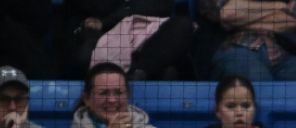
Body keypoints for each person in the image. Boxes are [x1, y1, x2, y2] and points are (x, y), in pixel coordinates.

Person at [198, 0, 296, 84]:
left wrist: (241, 16)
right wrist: (279, 6)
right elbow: (227, 13)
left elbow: (295, 20)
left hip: (288, 55)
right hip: (238, 49)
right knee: (256, 80)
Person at [52, 2, 196, 82]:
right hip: (100, 35)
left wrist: (109, 19)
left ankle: (137, 74)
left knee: (183, 26)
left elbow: (160, 6)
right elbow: (93, 7)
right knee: (84, 53)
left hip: (147, 38)